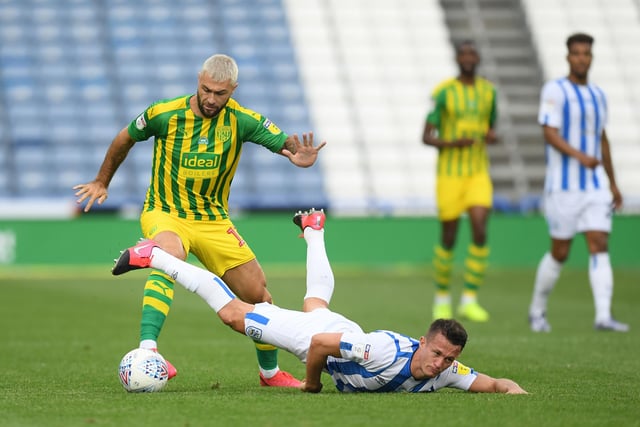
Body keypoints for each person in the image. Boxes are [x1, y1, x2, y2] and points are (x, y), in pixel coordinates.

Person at [73, 54, 327, 386]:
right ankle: (148, 350)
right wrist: (102, 181)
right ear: (198, 79)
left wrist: (296, 154)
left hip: (213, 221)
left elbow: (284, 143)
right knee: (167, 256)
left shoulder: (243, 120)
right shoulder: (164, 113)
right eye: (206, 89)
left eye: (220, 93)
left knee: (258, 295)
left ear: (233, 89)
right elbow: (125, 138)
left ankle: (269, 373)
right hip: (165, 212)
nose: (210, 98)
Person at [112, 208, 527, 394]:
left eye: (447, 360)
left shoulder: (444, 372)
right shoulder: (383, 350)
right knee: (234, 314)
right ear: (422, 341)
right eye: (436, 353)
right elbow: (321, 345)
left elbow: (492, 383)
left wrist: (515, 392)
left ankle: (314, 230)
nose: (438, 364)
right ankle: (158, 257)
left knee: (316, 300)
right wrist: (312, 384)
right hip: (320, 339)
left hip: (341, 331)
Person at [528, 33, 628, 333]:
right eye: (577, 53)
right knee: (560, 252)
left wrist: (613, 182)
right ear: (568, 57)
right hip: (563, 186)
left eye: (586, 53)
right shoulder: (555, 90)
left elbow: (602, 137)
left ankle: (603, 316)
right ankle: (537, 311)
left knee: (599, 245)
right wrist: (580, 156)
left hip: (595, 186)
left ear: (591, 57)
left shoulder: (598, 94)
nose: (582, 58)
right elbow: (549, 132)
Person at [422, 40, 498, 322]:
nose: (468, 57)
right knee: (449, 236)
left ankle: (469, 299)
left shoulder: (489, 92)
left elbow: (491, 126)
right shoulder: (444, 92)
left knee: (480, 228)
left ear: (477, 57)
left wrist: (490, 136)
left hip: (478, 172)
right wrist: (454, 143)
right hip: (449, 175)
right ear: (457, 58)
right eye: (463, 53)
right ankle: (442, 297)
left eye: (472, 53)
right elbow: (426, 136)